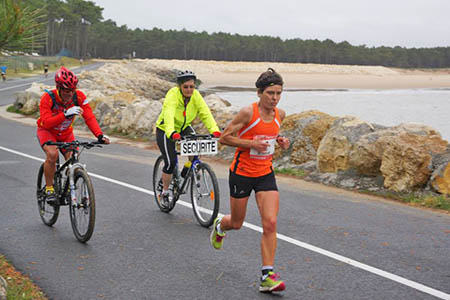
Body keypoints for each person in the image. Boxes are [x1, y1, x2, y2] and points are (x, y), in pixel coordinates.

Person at [210, 68, 290, 293]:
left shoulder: (280, 114)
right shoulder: (248, 113)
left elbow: (271, 137)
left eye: (278, 93)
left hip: (265, 173)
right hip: (242, 173)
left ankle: (267, 275)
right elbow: (225, 138)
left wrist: (282, 142)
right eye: (270, 93)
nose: (274, 98)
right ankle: (220, 225)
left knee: (270, 223)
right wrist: (250, 144)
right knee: (237, 223)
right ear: (259, 93)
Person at [36, 66, 110, 204]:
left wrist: (99, 135)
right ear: (58, 88)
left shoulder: (79, 96)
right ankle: (50, 188)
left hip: (65, 133)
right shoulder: (48, 98)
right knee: (52, 155)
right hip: (47, 132)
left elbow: (89, 117)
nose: (70, 94)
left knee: (73, 158)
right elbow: (46, 123)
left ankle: (70, 187)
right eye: (66, 90)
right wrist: (64, 115)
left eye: (72, 90)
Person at [155, 70, 221, 208]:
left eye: (192, 86)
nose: (189, 90)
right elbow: (169, 114)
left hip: (184, 127)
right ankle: (165, 192)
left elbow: (205, 113)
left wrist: (214, 130)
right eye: (186, 87)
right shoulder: (172, 95)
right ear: (180, 87)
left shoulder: (196, 96)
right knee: (170, 162)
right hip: (165, 129)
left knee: (195, 152)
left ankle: (188, 171)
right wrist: (171, 132)